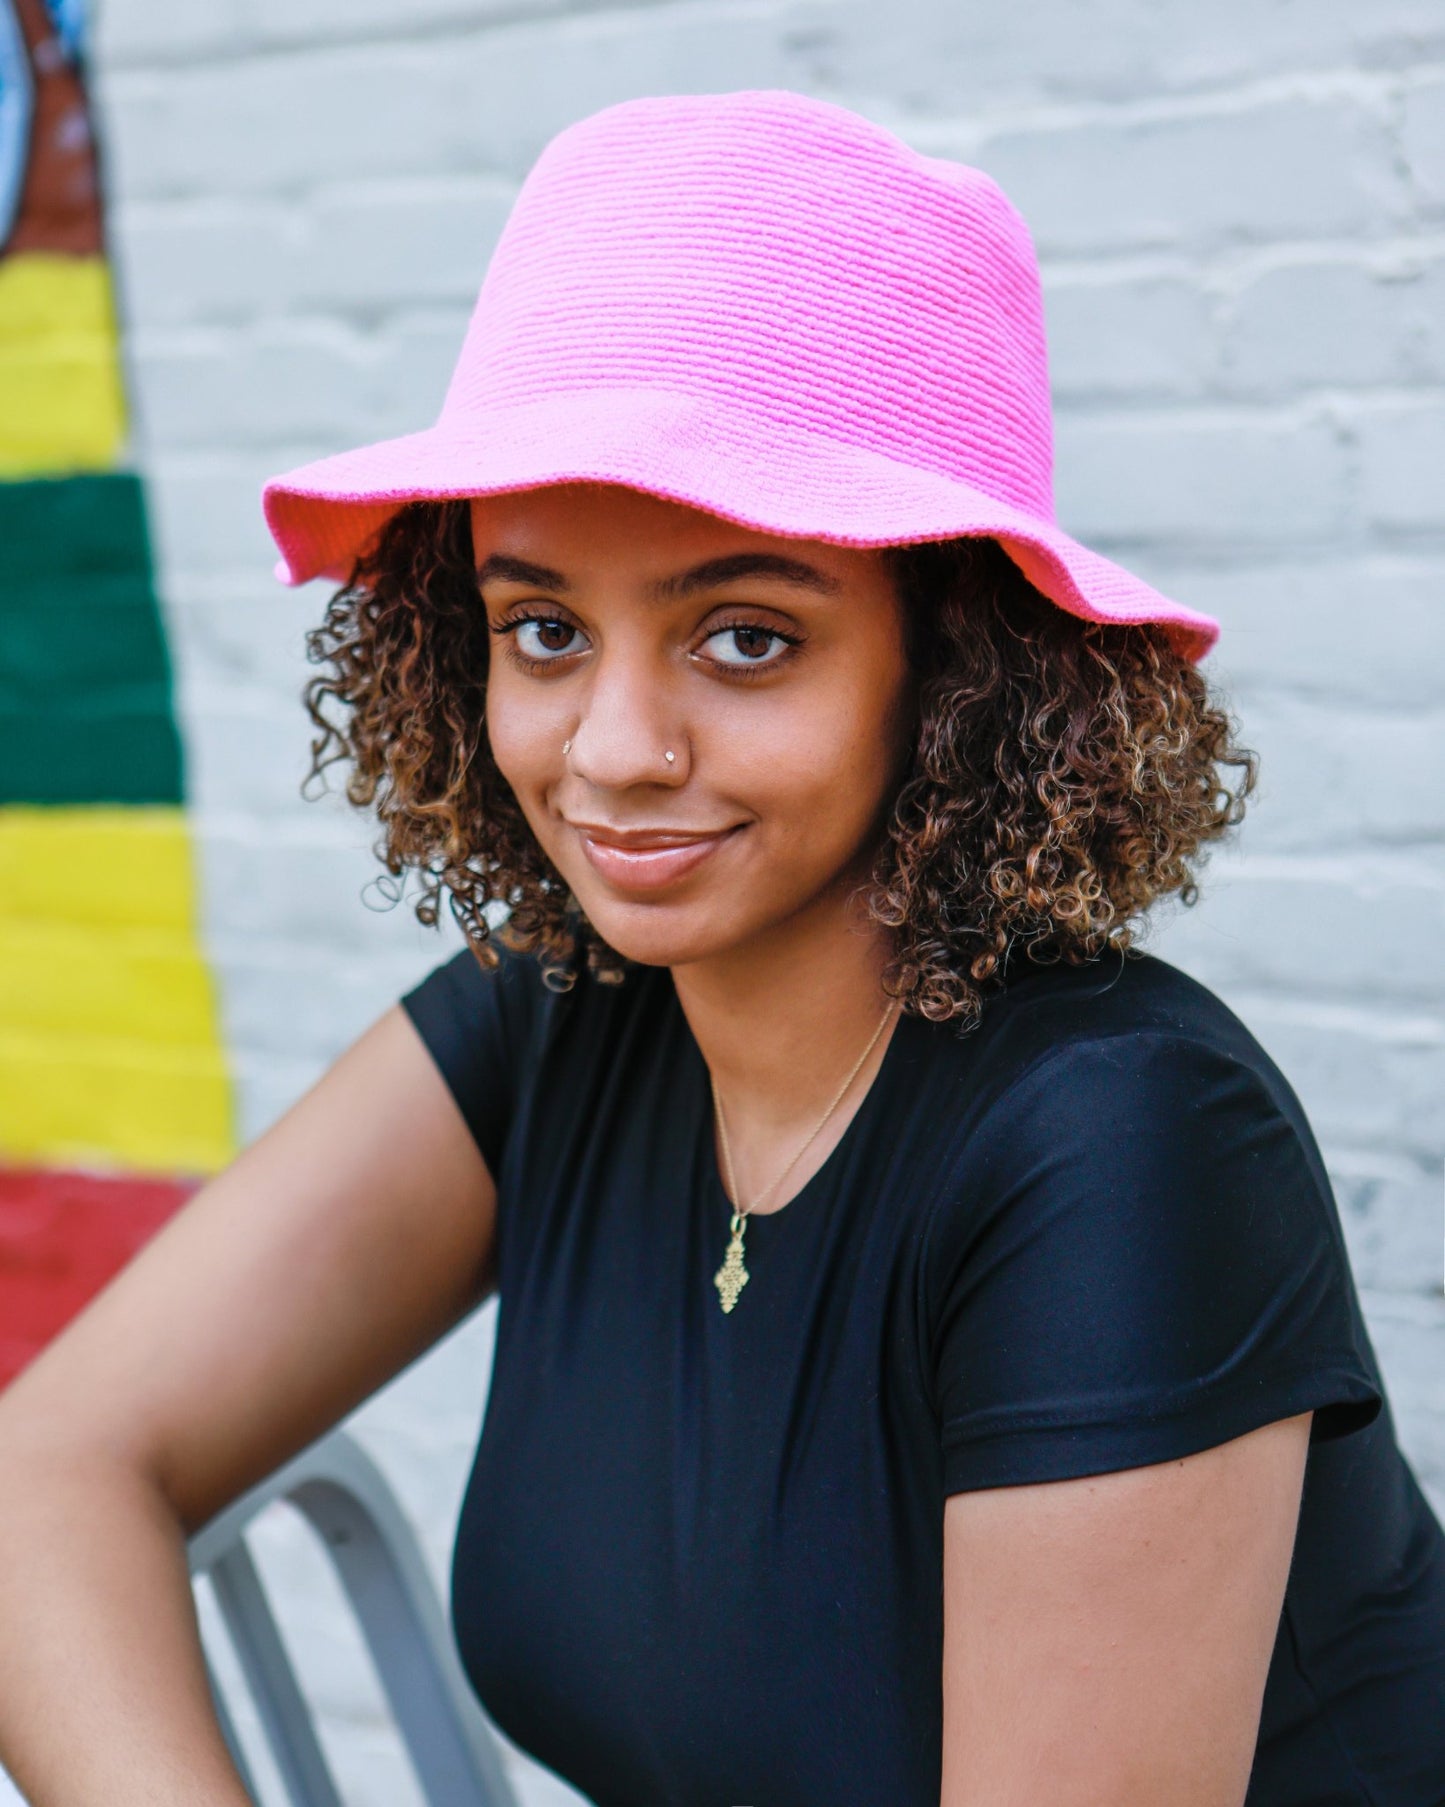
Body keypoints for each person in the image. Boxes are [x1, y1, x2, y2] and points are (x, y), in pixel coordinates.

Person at [0, 86, 1442, 1807]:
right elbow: (45, 1472)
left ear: (958, 665)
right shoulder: (563, 1019)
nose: (611, 745)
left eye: (743, 639)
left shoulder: (1119, 1146)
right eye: (540, 627)